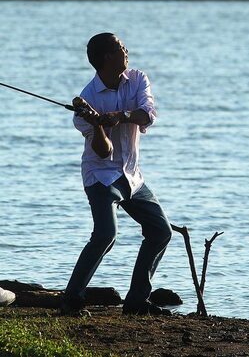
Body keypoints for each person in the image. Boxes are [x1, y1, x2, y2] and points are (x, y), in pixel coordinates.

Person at [61, 32, 172, 316]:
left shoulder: (137, 79)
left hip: (133, 177)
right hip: (101, 177)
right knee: (105, 234)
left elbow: (148, 114)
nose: (127, 50)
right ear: (107, 58)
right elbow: (102, 152)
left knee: (161, 231)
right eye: (121, 47)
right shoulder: (87, 100)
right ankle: (71, 299)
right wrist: (97, 124)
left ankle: (136, 301)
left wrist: (120, 116)